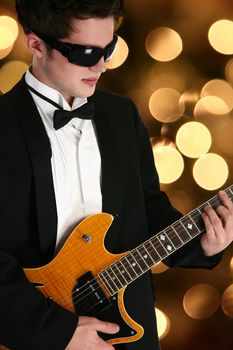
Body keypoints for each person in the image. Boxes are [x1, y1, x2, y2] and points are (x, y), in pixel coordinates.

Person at [0, 0, 233, 349]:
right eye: (86, 52)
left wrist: (203, 244)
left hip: (130, 328)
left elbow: (149, 209)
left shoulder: (121, 115)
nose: (102, 65)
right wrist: (56, 332)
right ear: (35, 44)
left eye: (108, 47)